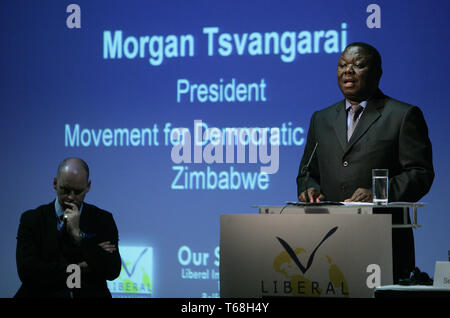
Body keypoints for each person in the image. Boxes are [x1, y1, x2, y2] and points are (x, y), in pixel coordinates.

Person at [296, 42, 434, 283]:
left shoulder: (403, 115)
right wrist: (308, 189)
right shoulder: (321, 118)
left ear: (378, 73)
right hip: (326, 241)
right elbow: (307, 172)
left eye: (358, 65)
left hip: (384, 242)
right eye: (342, 65)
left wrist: (378, 194)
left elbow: (420, 173)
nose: (348, 71)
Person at [15, 158, 121, 297]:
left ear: (88, 186)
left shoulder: (102, 219)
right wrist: (81, 268)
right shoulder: (32, 219)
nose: (71, 197)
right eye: (65, 190)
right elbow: (28, 271)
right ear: (55, 183)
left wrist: (78, 236)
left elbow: (112, 269)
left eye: (77, 192)